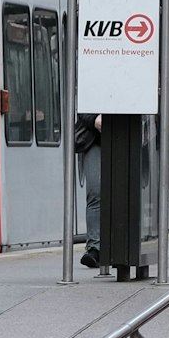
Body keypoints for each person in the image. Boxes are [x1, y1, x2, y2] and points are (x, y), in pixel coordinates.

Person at [74, 112, 103, 267]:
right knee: (95, 193)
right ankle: (94, 248)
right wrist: (93, 119)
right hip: (93, 138)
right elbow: (81, 104)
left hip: (126, 134)